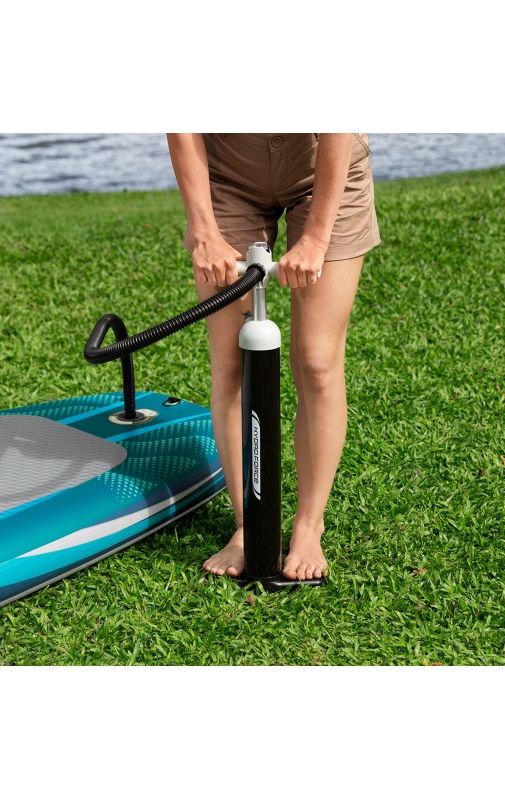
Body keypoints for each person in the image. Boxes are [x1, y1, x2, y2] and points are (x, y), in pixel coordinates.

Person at [166, 133, 380, 581]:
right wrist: (205, 233)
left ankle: (309, 526)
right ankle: (247, 525)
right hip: (228, 169)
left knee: (317, 360)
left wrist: (316, 239)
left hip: (322, 165)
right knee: (231, 360)